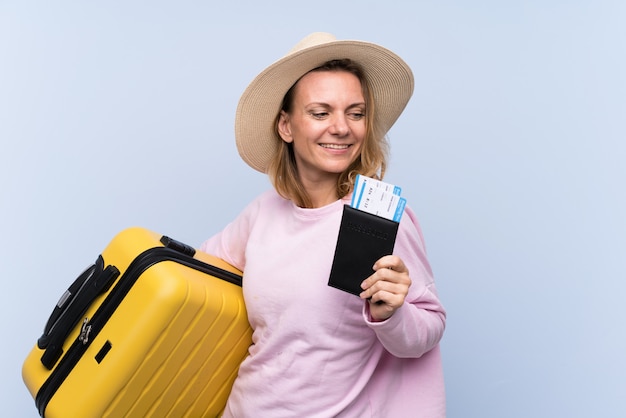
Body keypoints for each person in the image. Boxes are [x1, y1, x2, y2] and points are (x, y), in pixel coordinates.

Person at [200, 32, 446, 417]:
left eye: (356, 112)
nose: (342, 127)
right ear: (286, 126)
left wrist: (392, 313)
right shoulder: (261, 214)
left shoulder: (379, 220)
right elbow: (197, 277)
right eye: (320, 112)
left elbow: (427, 330)